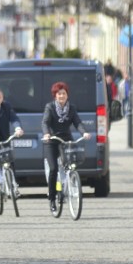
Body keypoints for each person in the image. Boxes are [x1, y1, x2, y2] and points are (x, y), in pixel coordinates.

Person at [41, 81, 92, 213]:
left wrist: (84, 132)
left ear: (67, 95)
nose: (62, 96)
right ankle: (52, 199)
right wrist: (46, 134)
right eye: (59, 94)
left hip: (66, 140)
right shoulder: (50, 107)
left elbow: (78, 122)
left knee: (70, 165)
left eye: (64, 93)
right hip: (51, 140)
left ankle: (68, 185)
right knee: (53, 169)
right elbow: (45, 122)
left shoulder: (71, 108)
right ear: (55, 95)